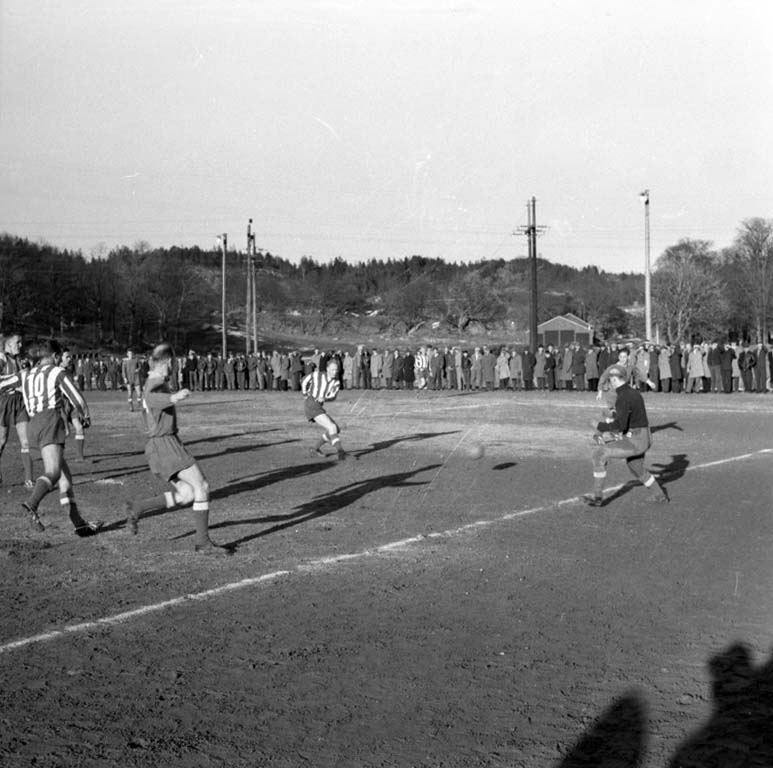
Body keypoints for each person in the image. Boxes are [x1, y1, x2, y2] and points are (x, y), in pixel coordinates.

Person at [125, 343, 230, 555]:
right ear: (166, 362)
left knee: (187, 493)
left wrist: (172, 397)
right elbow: (151, 398)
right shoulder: (155, 383)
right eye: (172, 363)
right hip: (165, 444)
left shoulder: (155, 381)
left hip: (160, 446)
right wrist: (174, 397)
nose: (173, 367)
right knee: (202, 486)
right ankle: (203, 543)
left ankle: (138, 507)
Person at [0, 339, 102, 536]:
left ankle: (79, 523)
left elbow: (2, 384)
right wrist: (86, 416)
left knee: (65, 476)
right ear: (55, 356)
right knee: (53, 472)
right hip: (49, 421)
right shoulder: (56, 372)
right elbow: (76, 396)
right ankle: (31, 505)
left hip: (32, 426)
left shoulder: (25, 374)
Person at [585, 364, 669, 507]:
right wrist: (612, 415)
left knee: (598, 454)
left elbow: (620, 426)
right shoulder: (633, 392)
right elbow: (629, 418)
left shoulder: (623, 397)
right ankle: (659, 495)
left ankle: (597, 497)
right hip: (644, 436)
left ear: (615, 380)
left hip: (636, 439)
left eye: (610, 379)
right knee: (635, 466)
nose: (609, 382)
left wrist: (599, 426)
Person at [0, 332, 34, 488]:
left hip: (20, 402)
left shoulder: (21, 360)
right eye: (17, 342)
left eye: (21, 342)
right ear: (8, 344)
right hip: (4, 402)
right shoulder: (2, 359)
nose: (20, 345)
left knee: (26, 441)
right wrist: (16, 378)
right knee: (2, 440)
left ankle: (29, 479)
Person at [301, 358, 349, 460]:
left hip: (319, 406)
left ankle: (315, 449)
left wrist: (324, 398)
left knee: (336, 429)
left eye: (336, 370)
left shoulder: (336, 382)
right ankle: (341, 452)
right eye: (332, 369)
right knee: (332, 427)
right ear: (327, 369)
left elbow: (333, 396)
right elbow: (304, 380)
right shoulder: (317, 374)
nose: (334, 372)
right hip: (311, 404)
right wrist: (305, 394)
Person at [60, 348, 90, 462]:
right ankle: (58, 457)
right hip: (61, 405)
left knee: (79, 427)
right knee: (62, 432)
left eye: (70, 357)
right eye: (66, 357)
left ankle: (80, 457)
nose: (69, 359)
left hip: (71, 403)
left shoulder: (69, 370)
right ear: (60, 358)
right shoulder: (56, 371)